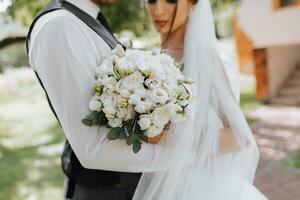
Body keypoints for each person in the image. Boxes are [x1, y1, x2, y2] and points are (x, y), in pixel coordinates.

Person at [26, 0, 169, 199]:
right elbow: (94, 149)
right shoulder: (60, 27)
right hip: (106, 192)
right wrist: (185, 156)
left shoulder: (86, 18)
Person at [126, 0, 269, 199]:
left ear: (193, 4)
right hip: (156, 182)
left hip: (198, 187)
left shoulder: (204, 60)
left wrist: (176, 140)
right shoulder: (144, 61)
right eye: (151, 0)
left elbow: (239, 136)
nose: (158, 10)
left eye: (170, 0)